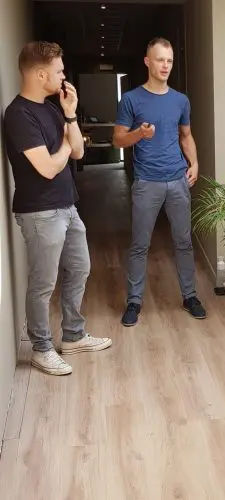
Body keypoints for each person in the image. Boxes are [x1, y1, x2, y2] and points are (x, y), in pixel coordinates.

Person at [4, 41, 112, 376]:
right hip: (40, 212)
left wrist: (70, 114)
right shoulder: (18, 115)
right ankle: (41, 348)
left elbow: (78, 151)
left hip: (67, 206)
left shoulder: (53, 109)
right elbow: (48, 168)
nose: (64, 76)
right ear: (40, 74)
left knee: (80, 268)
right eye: (59, 71)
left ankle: (73, 335)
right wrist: (65, 145)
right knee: (43, 284)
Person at [113, 37, 206, 326]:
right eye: (160, 60)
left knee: (183, 242)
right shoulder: (131, 99)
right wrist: (139, 134)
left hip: (178, 180)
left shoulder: (180, 100)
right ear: (147, 62)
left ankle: (190, 296)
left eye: (169, 61)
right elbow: (118, 139)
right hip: (146, 183)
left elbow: (186, 136)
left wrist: (194, 163)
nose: (165, 65)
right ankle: (134, 301)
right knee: (140, 245)